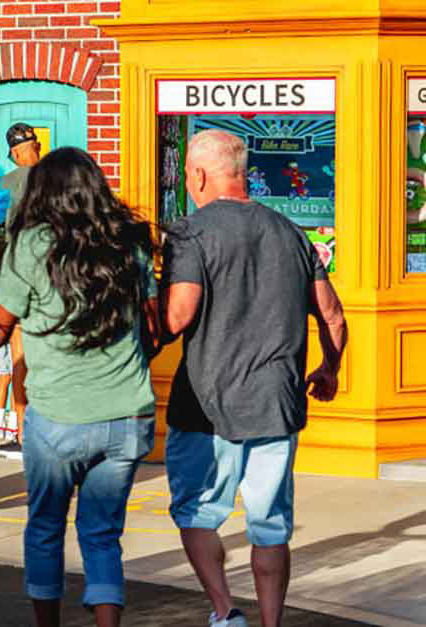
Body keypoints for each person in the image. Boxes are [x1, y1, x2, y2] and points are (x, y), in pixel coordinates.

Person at [0, 147, 160, 627]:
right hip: (128, 414)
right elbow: (153, 328)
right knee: (103, 534)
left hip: (58, 417)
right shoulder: (128, 242)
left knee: (46, 528)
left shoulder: (30, 245)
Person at [160, 130, 348, 627]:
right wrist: (329, 368)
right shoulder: (292, 233)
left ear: (199, 176)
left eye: (189, 177)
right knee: (270, 525)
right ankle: (270, 621)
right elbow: (332, 315)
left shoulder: (190, 233)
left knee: (198, 513)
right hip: (275, 402)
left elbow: (178, 316)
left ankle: (225, 611)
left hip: (206, 405)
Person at [0, 122, 43, 460]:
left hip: (19, 279)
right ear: (38, 146)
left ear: (15, 154)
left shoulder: (5, 186)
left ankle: (23, 434)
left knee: (20, 358)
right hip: (59, 282)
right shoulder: (60, 180)